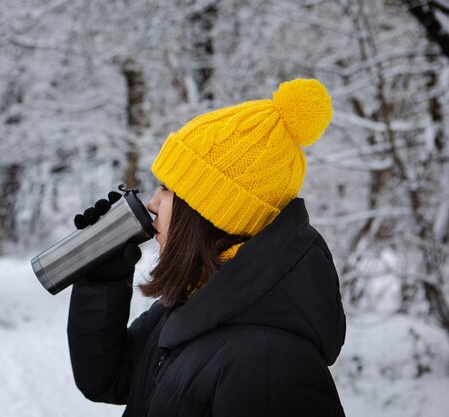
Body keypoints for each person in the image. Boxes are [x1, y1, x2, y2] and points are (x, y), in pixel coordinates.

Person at [67, 79, 347, 417]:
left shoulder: (271, 364)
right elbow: (108, 379)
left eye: (167, 189)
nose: (153, 203)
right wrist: (103, 279)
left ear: (211, 213)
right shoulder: (199, 301)